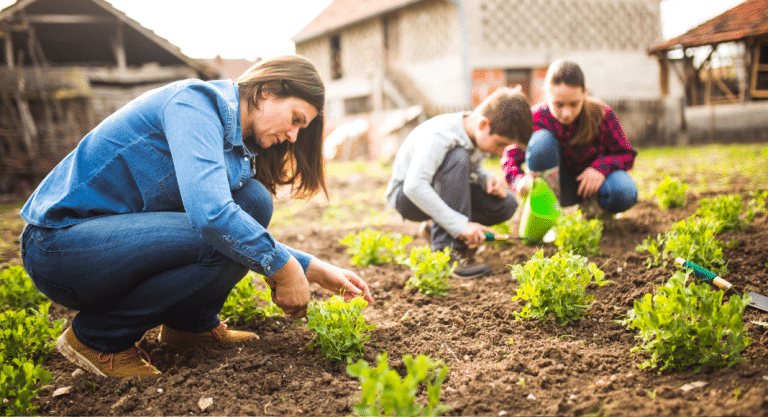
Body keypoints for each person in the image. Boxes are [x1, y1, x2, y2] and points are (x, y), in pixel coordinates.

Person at [19, 55, 373, 380]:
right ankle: (98, 338)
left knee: (253, 201)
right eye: (296, 119)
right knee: (223, 242)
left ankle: (190, 326)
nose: (293, 136)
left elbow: (229, 219)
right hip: (58, 246)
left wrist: (314, 268)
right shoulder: (194, 105)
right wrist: (285, 267)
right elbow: (213, 217)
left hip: (107, 247)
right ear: (267, 92)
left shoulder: (233, 145)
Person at [385, 86, 533, 279]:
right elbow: (414, 185)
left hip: (434, 191)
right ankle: (447, 251)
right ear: (483, 124)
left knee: (505, 205)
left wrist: (485, 177)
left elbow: (472, 167)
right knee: (458, 156)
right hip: (407, 198)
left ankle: (435, 229)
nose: (500, 151)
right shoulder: (441, 135)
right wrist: (460, 226)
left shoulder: (474, 135)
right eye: (500, 144)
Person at [501, 59, 637, 218]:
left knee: (623, 191)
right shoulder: (535, 119)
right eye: (559, 104)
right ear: (546, 94)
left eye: (574, 104)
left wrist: (601, 168)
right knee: (540, 141)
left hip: (592, 187)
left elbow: (626, 155)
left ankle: (595, 209)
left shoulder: (601, 115)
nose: (567, 113)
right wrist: (519, 181)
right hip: (556, 187)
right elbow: (509, 157)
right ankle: (548, 212)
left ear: (584, 92)